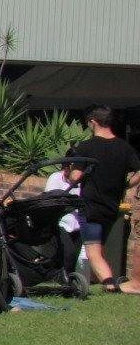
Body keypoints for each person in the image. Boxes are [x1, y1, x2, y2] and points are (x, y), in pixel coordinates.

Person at [68, 106, 140, 293]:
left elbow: (75, 176)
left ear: (93, 122)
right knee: (99, 248)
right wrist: (127, 185)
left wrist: (71, 176)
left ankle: (109, 285)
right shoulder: (124, 147)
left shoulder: (86, 147)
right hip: (111, 206)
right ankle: (104, 282)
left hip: (90, 206)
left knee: (92, 250)